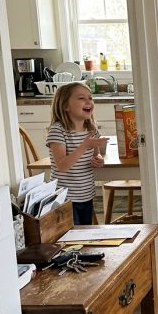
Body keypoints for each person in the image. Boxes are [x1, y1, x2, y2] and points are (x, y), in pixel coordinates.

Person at [47, 82, 108, 225]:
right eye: (81, 98)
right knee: (71, 235)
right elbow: (62, 166)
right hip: (65, 198)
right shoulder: (57, 130)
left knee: (84, 233)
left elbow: (96, 155)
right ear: (65, 106)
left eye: (90, 98)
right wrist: (84, 145)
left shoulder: (91, 130)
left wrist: (99, 160)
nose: (88, 102)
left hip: (86, 195)